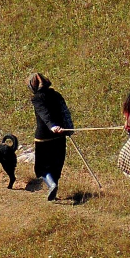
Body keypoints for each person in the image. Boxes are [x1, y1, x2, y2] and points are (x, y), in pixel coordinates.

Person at [27, 73, 73, 201]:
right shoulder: (56, 95)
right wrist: (69, 128)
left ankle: (52, 185)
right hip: (60, 135)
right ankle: (54, 187)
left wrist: (52, 125)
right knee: (57, 164)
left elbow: (44, 113)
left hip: (44, 137)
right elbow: (65, 112)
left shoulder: (37, 99)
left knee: (42, 167)